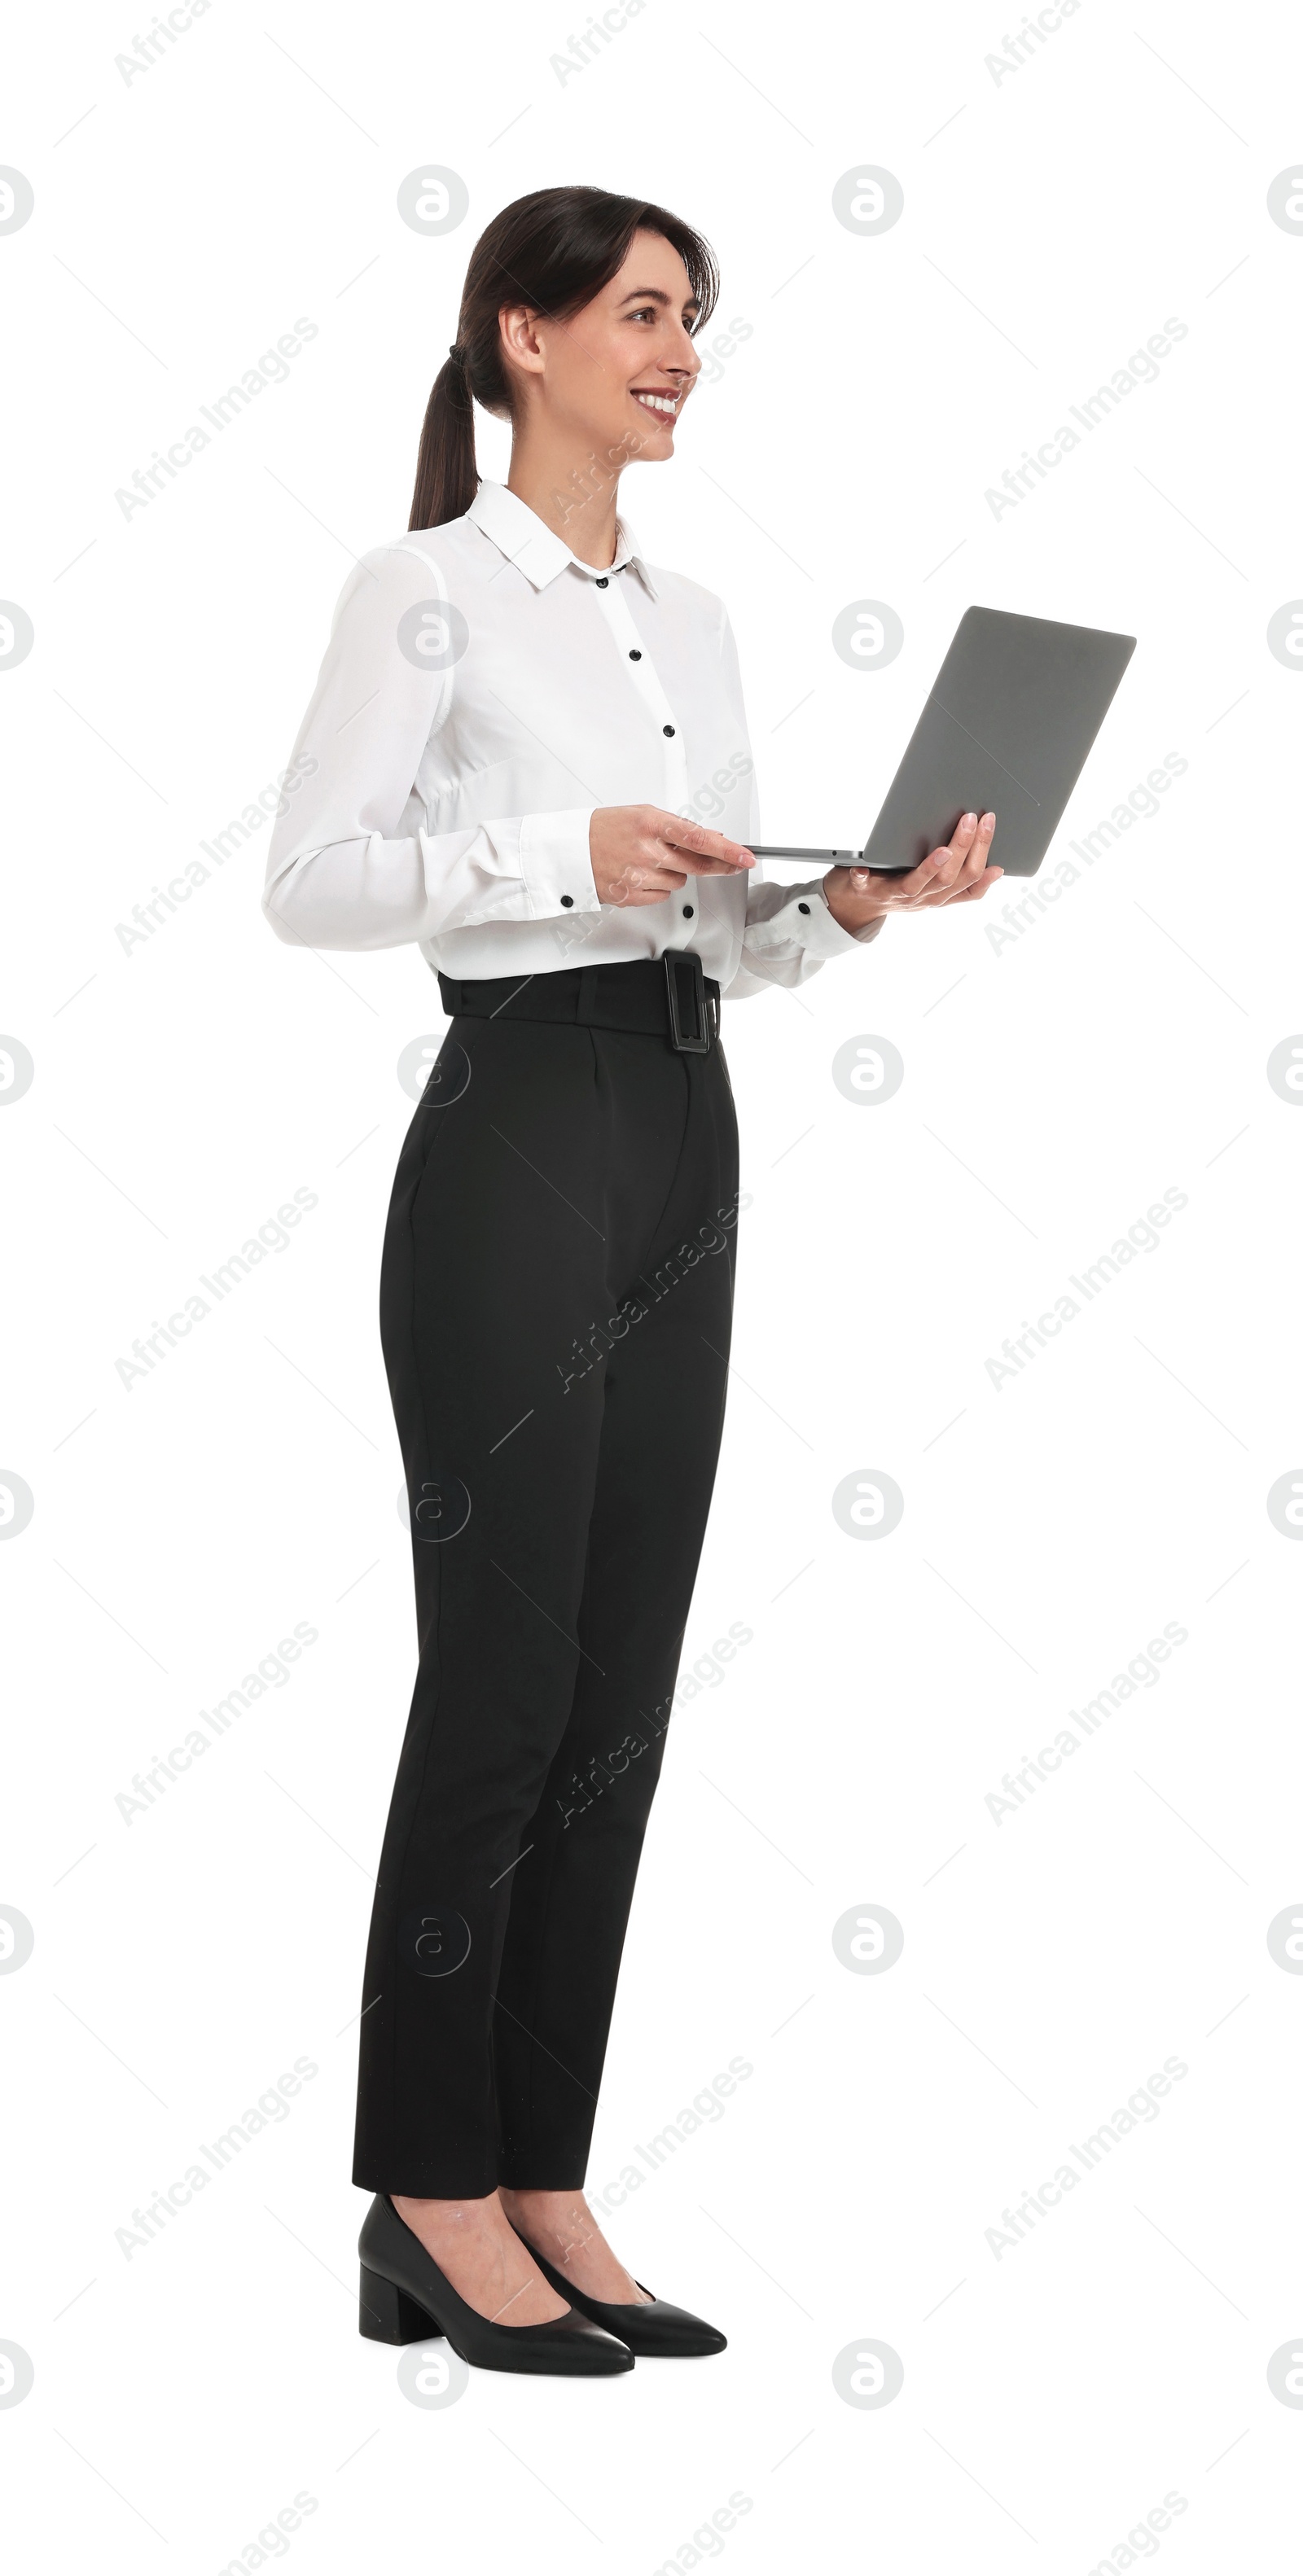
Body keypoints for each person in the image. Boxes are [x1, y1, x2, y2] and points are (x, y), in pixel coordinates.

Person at [262, 185, 1002, 2377]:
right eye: (647, 313)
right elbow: (307, 881)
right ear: (527, 334)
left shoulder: (695, 616)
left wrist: (847, 910)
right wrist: (541, 852)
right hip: (515, 1128)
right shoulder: (420, 593)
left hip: (682, 1119)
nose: (682, 349)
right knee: (501, 1687)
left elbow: (713, 936)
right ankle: (424, 2183)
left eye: (697, 318)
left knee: (616, 1706)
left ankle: (541, 2165)